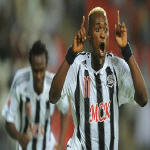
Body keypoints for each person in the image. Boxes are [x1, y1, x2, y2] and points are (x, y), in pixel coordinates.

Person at [49, 7, 148, 150]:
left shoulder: (117, 66)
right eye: (97, 29)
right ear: (89, 36)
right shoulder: (77, 66)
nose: (102, 34)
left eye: (105, 30)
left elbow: (143, 98)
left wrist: (127, 50)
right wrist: (70, 55)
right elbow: (53, 96)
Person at [2, 40, 69, 150]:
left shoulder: (53, 83)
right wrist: (19, 136)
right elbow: (8, 120)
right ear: (30, 67)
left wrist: (61, 144)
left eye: (41, 70)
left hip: (48, 146)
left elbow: (65, 111)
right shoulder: (20, 80)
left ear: (46, 66)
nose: (38, 76)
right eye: (35, 71)